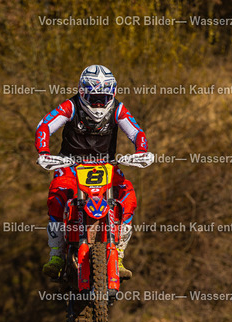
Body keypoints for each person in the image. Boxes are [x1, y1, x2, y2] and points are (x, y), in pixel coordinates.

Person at [35, 64, 149, 279]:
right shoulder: (70, 106)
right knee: (57, 195)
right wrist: (44, 152)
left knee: (128, 196)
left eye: (103, 98)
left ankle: (119, 254)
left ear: (112, 94)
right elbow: (44, 126)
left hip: (106, 165)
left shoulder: (118, 109)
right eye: (93, 98)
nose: (98, 104)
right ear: (82, 92)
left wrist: (141, 151)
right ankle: (56, 255)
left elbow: (136, 132)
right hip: (70, 164)